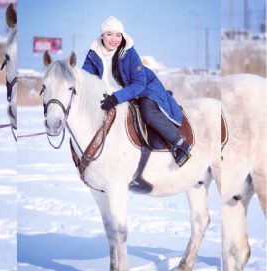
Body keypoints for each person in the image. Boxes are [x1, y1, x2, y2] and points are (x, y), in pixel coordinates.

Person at [82, 16, 191, 167]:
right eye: (109, 34)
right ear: (102, 36)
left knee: (148, 113)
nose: (114, 39)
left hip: (146, 88)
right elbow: (86, 81)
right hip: (118, 94)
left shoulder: (129, 53)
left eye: (118, 35)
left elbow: (139, 84)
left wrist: (115, 98)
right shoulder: (93, 55)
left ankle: (179, 142)